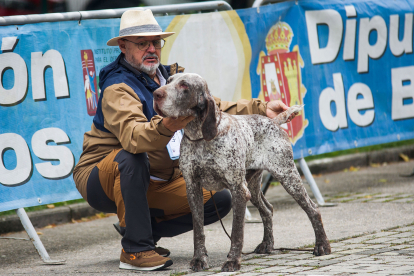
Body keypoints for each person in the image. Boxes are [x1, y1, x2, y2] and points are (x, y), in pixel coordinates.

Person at [73, 9, 295, 272]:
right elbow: (134, 137)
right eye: (142, 43)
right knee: (131, 156)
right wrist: (168, 125)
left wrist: (261, 108)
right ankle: (136, 249)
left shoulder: (169, 78)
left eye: (156, 42)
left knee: (219, 199)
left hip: (158, 176)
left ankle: (141, 229)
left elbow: (215, 105)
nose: (151, 49)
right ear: (123, 46)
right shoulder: (117, 88)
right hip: (101, 176)